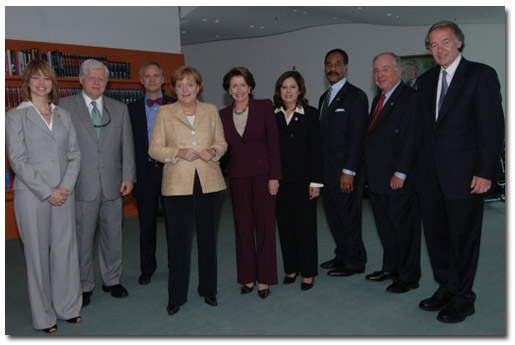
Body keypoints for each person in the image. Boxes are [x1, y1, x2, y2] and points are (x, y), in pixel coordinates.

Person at [415, 20, 504, 323]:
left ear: (459, 43)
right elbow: (425, 133)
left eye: (445, 42)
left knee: (462, 239)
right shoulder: (425, 82)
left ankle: (464, 298)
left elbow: (492, 128)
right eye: (433, 44)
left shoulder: (480, 75)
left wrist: (486, 171)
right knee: (437, 238)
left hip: (467, 177)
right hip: (431, 178)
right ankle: (447, 288)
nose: (439, 49)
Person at [6, 60, 82, 333]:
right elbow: (18, 160)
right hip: (33, 196)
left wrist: (64, 187)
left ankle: (68, 307)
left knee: (65, 251)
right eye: (36, 78)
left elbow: (74, 154)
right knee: (37, 256)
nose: (41, 83)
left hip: (65, 193)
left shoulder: (63, 115)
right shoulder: (15, 117)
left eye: (46, 78)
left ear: (53, 83)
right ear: (27, 82)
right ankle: (44, 316)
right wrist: (48, 191)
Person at [149, 66, 227, 315]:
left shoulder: (211, 110)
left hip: (210, 183)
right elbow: (154, 149)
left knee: (208, 241)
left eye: (190, 84)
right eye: (180, 85)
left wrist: (214, 151)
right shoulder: (165, 112)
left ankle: (208, 290)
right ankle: (176, 296)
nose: (185, 89)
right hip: (177, 184)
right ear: (173, 88)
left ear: (199, 87)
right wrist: (177, 152)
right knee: (178, 243)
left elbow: (222, 143)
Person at [59, 59, 136, 307]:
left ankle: (112, 279)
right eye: (91, 78)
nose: (96, 83)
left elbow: (127, 146)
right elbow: (60, 149)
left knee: (113, 235)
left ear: (107, 82)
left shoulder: (119, 108)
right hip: (81, 183)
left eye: (101, 79)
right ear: (80, 79)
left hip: (114, 183)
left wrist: (128, 176)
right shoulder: (64, 107)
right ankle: (84, 284)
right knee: (82, 238)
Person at [219, 67, 282, 298]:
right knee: (243, 229)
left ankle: (264, 279)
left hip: (264, 177)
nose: (239, 90)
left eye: (243, 85)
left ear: (250, 87)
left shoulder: (264, 106)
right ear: (228, 89)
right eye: (234, 85)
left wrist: (275, 176)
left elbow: (274, 144)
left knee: (265, 228)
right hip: (237, 178)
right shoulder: (222, 114)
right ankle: (247, 277)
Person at [364, 53, 421, 293]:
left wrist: (401, 173)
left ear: (399, 71)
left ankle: (408, 277)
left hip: (397, 179)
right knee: (386, 228)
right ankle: (391, 268)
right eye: (376, 70)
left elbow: (411, 137)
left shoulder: (410, 98)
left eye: (386, 69)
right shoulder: (379, 99)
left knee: (404, 229)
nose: (380, 75)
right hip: (378, 179)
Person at [318, 48, 368, 277]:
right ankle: (342, 254)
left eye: (338, 64)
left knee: (349, 218)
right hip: (327, 172)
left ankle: (355, 261)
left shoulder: (356, 96)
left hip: (345, 172)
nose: (333, 68)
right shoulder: (324, 98)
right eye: (329, 64)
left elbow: (357, 138)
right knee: (334, 217)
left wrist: (348, 171)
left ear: (346, 67)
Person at [273, 70, 323, 291]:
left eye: (292, 87)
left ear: (300, 90)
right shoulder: (272, 115)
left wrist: (316, 182)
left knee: (306, 227)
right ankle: (291, 268)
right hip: (280, 181)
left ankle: (308, 272)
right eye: (284, 87)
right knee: (285, 226)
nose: (288, 91)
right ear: (279, 91)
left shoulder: (310, 113)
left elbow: (317, 149)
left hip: (305, 181)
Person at [128, 61, 176, 285]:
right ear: (141, 80)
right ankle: (147, 268)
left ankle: (176, 265)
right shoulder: (131, 109)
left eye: (156, 75)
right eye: (147, 76)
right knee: (146, 225)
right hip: (145, 173)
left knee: (175, 223)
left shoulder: (176, 105)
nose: (152, 79)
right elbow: (127, 146)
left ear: (162, 77)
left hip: (171, 171)